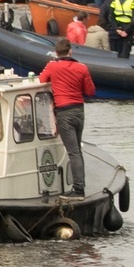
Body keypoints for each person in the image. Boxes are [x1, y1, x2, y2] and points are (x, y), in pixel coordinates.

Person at [38, 38, 95, 194]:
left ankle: (78, 189)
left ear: (56, 53)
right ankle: (81, 184)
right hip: (79, 111)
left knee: (73, 152)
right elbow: (90, 91)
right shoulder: (82, 68)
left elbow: (42, 80)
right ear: (70, 51)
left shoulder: (52, 66)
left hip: (64, 112)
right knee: (77, 150)